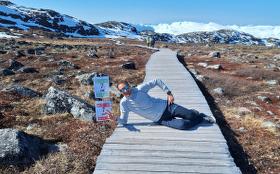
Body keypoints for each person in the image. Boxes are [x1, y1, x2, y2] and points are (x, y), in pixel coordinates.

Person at [107, 79, 216, 130]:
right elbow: (124, 121)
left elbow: (157, 81)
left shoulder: (140, 89)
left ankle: (194, 113)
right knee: (183, 125)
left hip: (168, 107)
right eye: (122, 90)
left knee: (191, 115)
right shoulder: (124, 103)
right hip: (161, 119)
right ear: (120, 92)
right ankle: (201, 119)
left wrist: (168, 93)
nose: (125, 91)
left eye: (126, 88)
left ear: (129, 86)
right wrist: (115, 119)